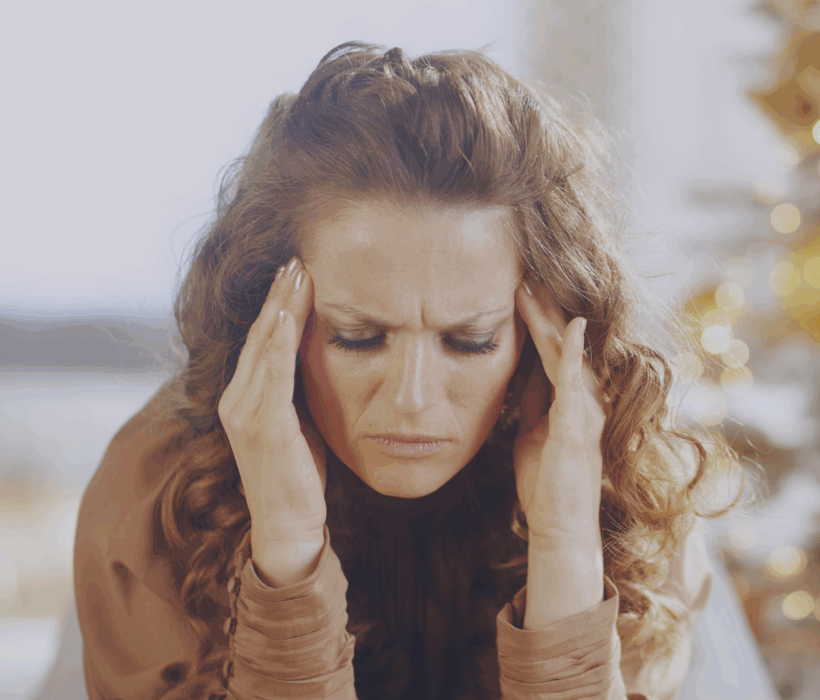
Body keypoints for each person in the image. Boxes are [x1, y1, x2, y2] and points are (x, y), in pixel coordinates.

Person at [73, 40, 742, 700]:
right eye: (359, 338)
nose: (414, 400)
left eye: (470, 341)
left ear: (537, 338)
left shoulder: (635, 489)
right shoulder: (153, 491)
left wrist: (568, 543)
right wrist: (287, 549)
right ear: (272, 320)